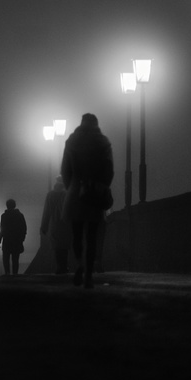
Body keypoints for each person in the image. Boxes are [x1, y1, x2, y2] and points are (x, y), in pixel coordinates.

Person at [61, 113, 114, 289]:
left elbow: (65, 169)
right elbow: (109, 170)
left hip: (76, 190)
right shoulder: (103, 142)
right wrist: (102, 187)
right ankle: (89, 274)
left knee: (76, 234)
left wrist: (72, 187)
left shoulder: (71, 141)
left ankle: (79, 264)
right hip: (95, 192)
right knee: (92, 236)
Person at [40, 177, 71, 274]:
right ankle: (64, 266)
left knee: (57, 246)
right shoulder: (67, 194)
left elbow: (46, 211)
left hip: (54, 224)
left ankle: (59, 266)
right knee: (65, 246)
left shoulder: (50, 195)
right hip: (65, 224)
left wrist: (44, 226)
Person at [0, 198, 27, 275]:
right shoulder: (20, 215)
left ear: (7, 206)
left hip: (7, 241)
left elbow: (2, 229)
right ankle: (15, 275)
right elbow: (24, 228)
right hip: (17, 241)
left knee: (6, 259)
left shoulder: (4, 216)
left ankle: (7, 273)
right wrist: (21, 239)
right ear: (14, 205)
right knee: (15, 260)